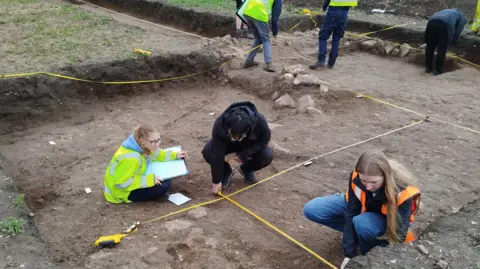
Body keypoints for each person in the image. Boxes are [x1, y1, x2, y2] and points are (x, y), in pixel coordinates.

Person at [303, 150, 421, 269]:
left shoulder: (403, 192)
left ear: (386, 176)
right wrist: (349, 254)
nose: (368, 187)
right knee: (312, 209)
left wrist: (366, 262)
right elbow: (351, 211)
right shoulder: (356, 176)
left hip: (387, 225)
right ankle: (359, 235)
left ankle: (369, 245)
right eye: (364, 181)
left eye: (374, 182)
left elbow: (399, 235)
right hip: (364, 211)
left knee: (362, 223)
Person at [104, 124, 187, 203]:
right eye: (153, 141)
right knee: (164, 185)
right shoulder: (132, 159)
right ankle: (157, 195)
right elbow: (122, 183)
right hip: (121, 192)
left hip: (134, 179)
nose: (157, 144)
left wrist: (175, 155)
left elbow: (158, 154)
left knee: (165, 181)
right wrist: (149, 180)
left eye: (158, 140)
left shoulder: (143, 146)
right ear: (141, 140)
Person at [202, 102, 273, 194]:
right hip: (227, 145)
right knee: (208, 152)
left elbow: (264, 140)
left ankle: (247, 169)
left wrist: (243, 155)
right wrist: (216, 181)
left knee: (266, 156)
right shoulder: (220, 123)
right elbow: (217, 150)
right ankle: (226, 171)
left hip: (249, 145)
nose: (235, 139)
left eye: (238, 136)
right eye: (232, 135)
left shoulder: (260, 121)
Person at [237, 0, 283, 72]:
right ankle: (269, 64)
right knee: (266, 39)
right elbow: (275, 18)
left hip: (247, 12)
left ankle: (249, 61)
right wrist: (275, 33)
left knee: (258, 39)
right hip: (260, 14)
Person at [309, 0, 357, 70]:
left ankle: (321, 61)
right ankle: (331, 64)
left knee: (323, 37)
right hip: (344, 15)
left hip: (333, 13)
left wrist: (324, 7)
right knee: (336, 40)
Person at [424, 8, 467, 76]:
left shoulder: (447, 11)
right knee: (442, 48)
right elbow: (457, 31)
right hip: (444, 24)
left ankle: (428, 68)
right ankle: (438, 70)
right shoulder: (462, 17)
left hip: (431, 22)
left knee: (430, 46)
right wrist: (451, 43)